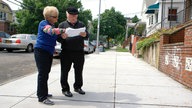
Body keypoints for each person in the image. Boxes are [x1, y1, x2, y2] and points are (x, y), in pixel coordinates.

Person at [34, 6, 66, 105]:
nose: (57, 19)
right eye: (55, 17)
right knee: (43, 74)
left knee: (46, 73)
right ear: (48, 17)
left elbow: (56, 36)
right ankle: (42, 97)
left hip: (48, 52)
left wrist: (63, 35)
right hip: (41, 51)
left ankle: (43, 92)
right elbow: (50, 31)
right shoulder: (43, 24)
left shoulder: (52, 26)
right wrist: (62, 30)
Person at [57, 6, 89, 97]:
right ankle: (65, 89)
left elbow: (87, 35)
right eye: (71, 16)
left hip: (79, 52)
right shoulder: (62, 25)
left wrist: (85, 34)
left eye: (75, 16)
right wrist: (62, 37)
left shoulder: (81, 24)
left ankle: (78, 87)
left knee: (79, 71)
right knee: (64, 71)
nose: (73, 17)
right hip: (66, 52)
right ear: (67, 15)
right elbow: (58, 39)